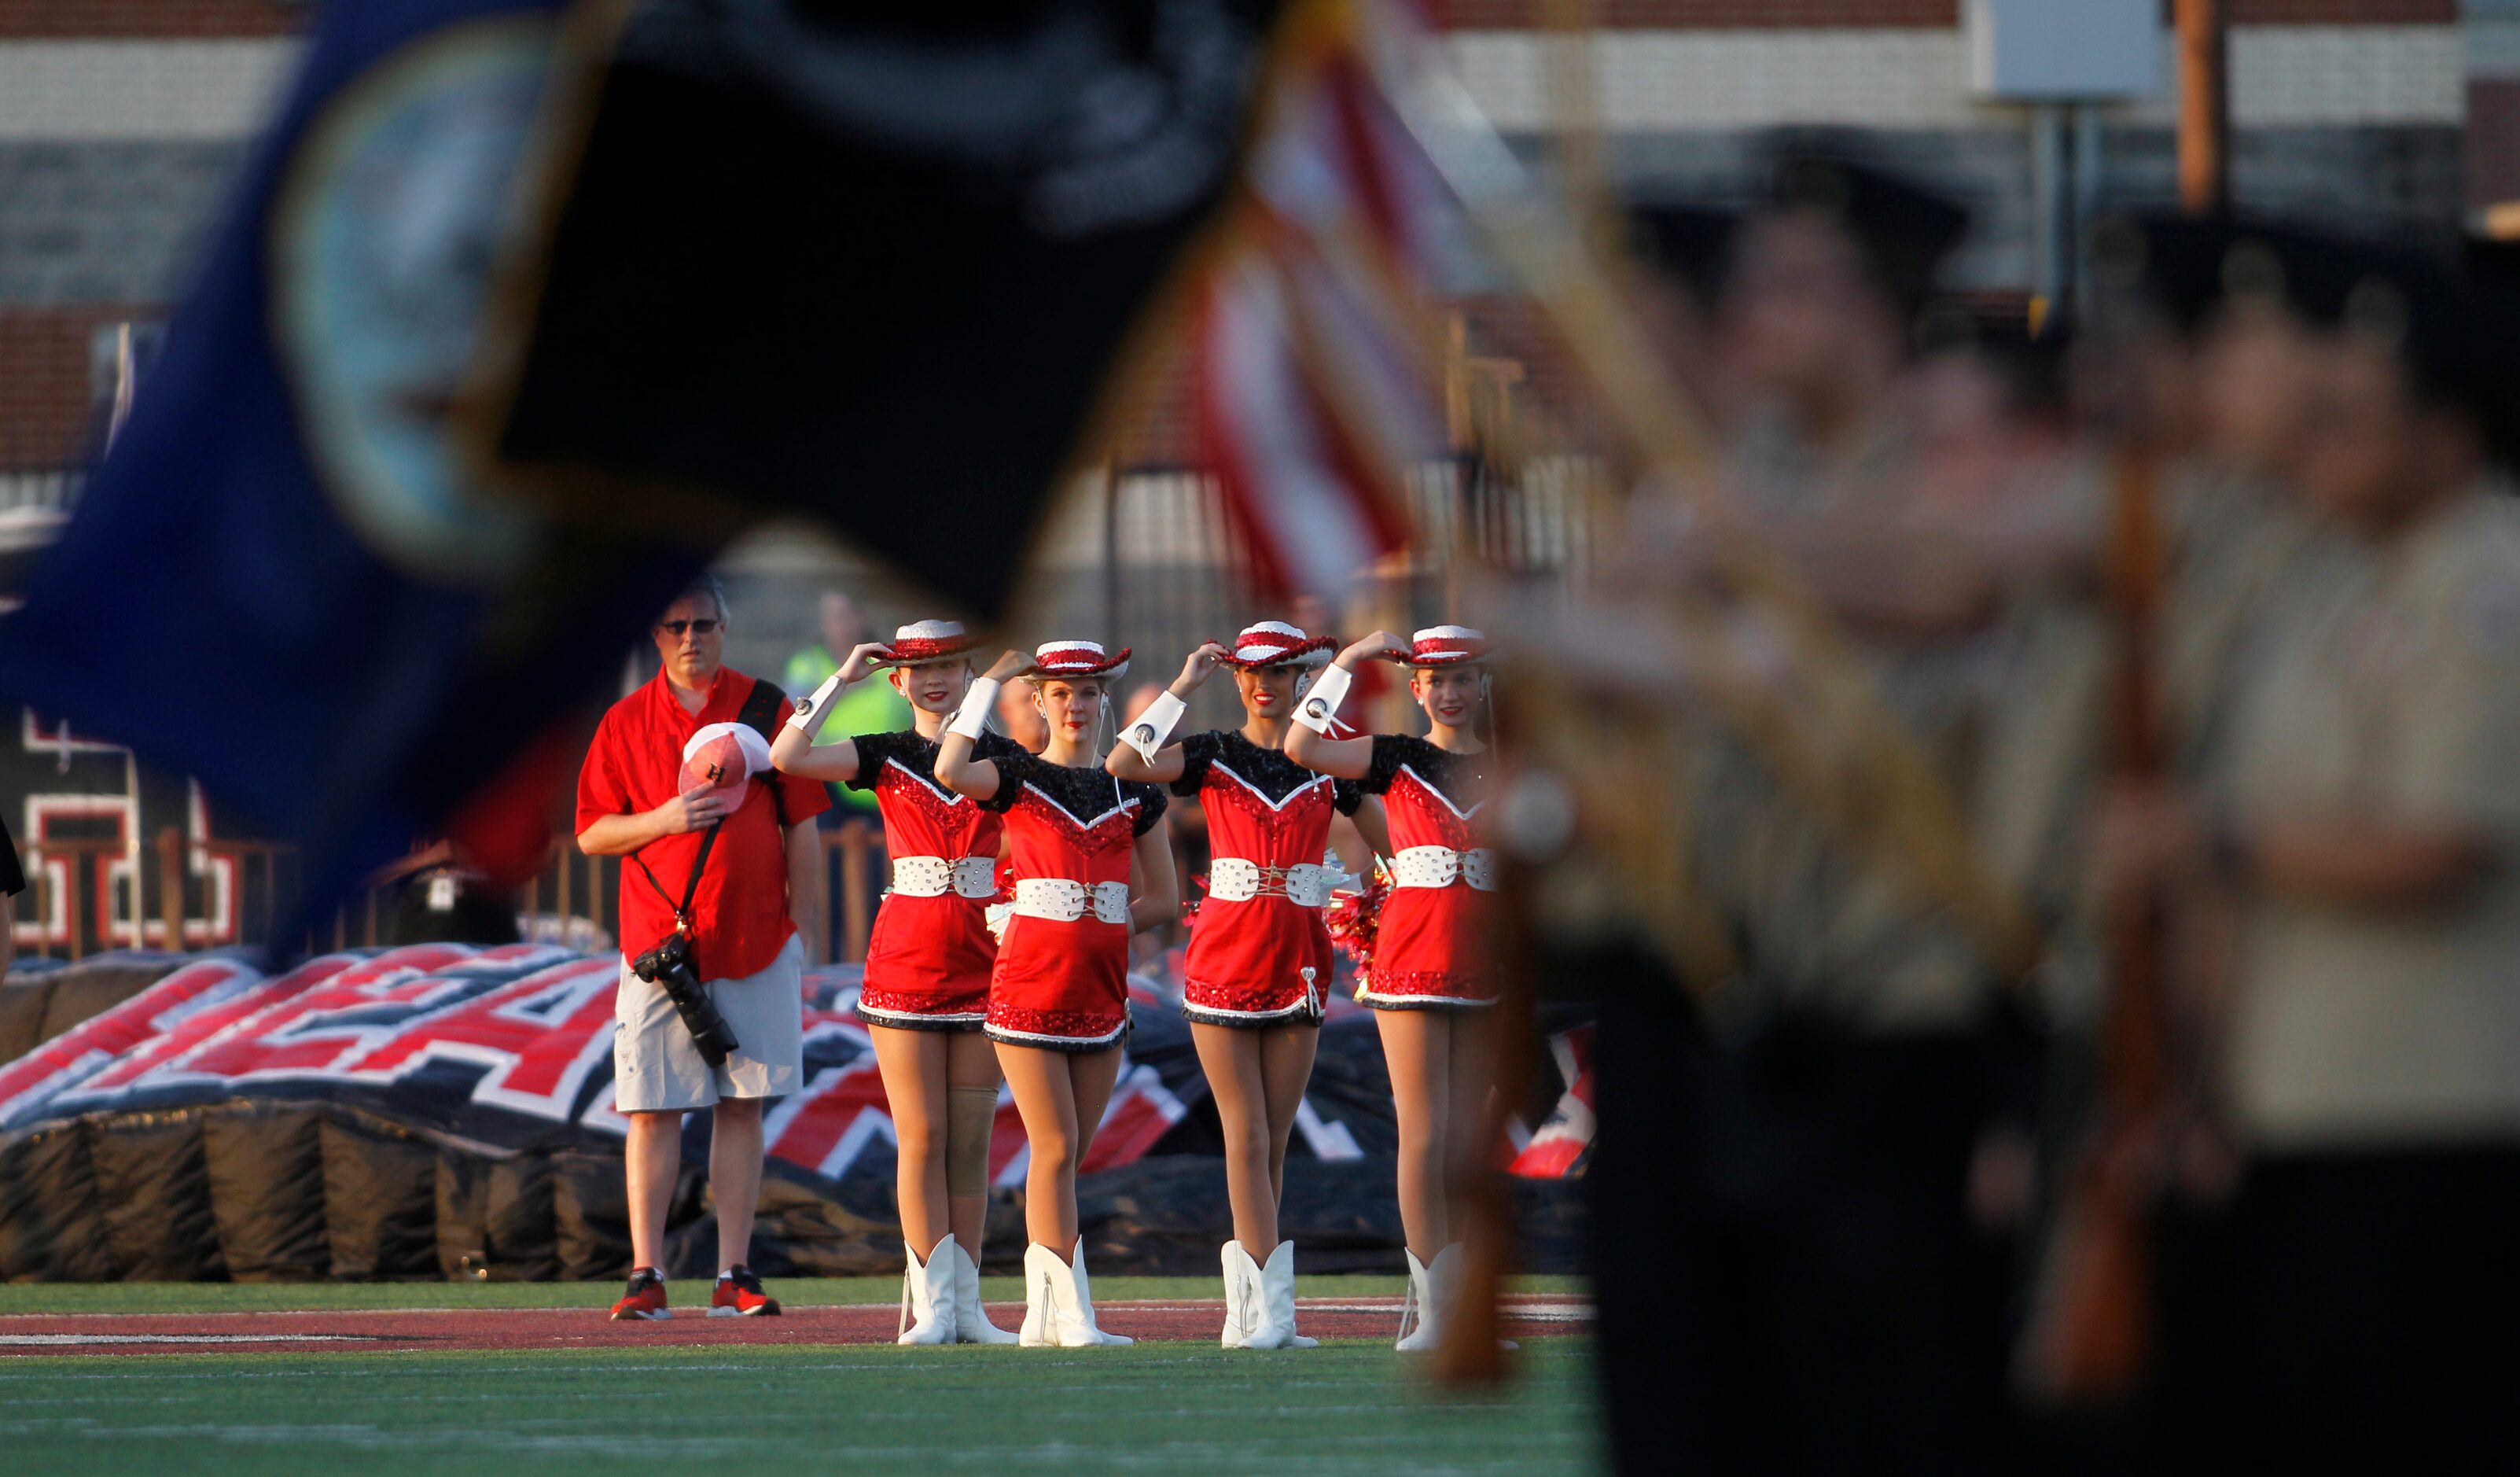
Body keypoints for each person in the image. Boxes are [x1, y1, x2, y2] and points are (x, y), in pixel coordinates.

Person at [2106, 241, 2520, 1470]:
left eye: (2350, 419)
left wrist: (2207, 836)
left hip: (2430, 1119)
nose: (2313, 443)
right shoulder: (2338, 577)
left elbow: (2435, 842)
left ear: (2445, 432)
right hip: (2289, 1112)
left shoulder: (2486, 580)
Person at [1106, 621, 1390, 1349]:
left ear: (1302, 678)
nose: (1264, 683)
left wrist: (1372, 898)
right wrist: (1182, 686)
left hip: (1298, 954)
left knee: (1274, 1137)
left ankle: (1263, 1312)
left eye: (1281, 671)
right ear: (1236, 680)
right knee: (1245, 1131)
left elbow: (1397, 847)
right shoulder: (1212, 754)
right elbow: (1124, 761)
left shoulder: (1327, 760)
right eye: (1251, 672)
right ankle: (1260, 1312)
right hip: (1226, 954)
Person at [576, 575, 830, 1322]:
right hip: (659, 945)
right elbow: (593, 832)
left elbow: (802, 824)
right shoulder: (623, 722)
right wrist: (663, 819)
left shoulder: (764, 706)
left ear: (725, 628)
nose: (691, 639)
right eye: (676, 625)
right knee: (653, 1110)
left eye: (705, 625)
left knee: (743, 1106)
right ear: (655, 635)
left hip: (755, 938)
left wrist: (798, 930)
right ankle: (646, 1272)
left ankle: (733, 1273)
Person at [770, 618, 1020, 1345]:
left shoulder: (1003, 757)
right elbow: (789, 756)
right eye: (920, 667)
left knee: (971, 1139)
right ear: (898, 681)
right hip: (907, 960)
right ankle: (932, 1304)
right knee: (922, 1134)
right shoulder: (883, 754)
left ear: (969, 668)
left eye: (948, 663)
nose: (935, 677)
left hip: (985, 960)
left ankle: (967, 1306)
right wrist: (841, 678)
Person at [934, 639, 1177, 1347]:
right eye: (1062, 694)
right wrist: (992, 680)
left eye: (1090, 693)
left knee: (1071, 1154)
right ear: (1039, 702)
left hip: (1102, 989)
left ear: (1105, 702)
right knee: (1055, 1143)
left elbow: (1160, 898)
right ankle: (1073, 1314)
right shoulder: (1014, 775)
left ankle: (1044, 1312)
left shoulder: (1135, 791)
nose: (1077, 706)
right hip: (1029, 985)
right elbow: (950, 767)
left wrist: (1099, 918)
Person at [1285, 625, 1499, 1352]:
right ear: (1416, 689)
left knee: (1470, 1142)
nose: (1450, 692)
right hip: (1410, 955)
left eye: (1463, 678)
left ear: (1483, 685)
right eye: (1436, 680)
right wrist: (1345, 663)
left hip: (1484, 964)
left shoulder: (1509, 766)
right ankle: (1436, 1307)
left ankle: (1469, 1311)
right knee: (1425, 1130)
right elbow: (1302, 750)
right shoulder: (1396, 757)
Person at [783, 592, 912, 815]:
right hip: (827, 782)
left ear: (863, 617)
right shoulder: (808, 665)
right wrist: (844, 685)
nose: (839, 625)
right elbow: (792, 717)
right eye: (832, 617)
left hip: (888, 783)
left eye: (845, 615)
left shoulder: (890, 663)